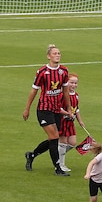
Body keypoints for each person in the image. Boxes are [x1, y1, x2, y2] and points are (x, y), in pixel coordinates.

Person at [23, 44, 72, 176]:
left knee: (53, 139)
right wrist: (27, 109)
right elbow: (34, 91)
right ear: (48, 56)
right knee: (55, 137)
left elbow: (65, 91)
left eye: (59, 53)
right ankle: (57, 168)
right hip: (44, 109)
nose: (57, 55)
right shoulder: (42, 72)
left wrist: (69, 108)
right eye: (55, 53)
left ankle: (32, 155)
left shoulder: (64, 71)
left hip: (57, 110)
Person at [57, 72, 86, 172]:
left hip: (70, 122)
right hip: (62, 121)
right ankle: (61, 164)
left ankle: (57, 154)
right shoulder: (62, 94)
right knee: (63, 142)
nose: (74, 85)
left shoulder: (76, 96)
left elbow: (76, 109)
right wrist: (67, 113)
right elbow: (57, 108)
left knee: (72, 143)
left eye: (75, 83)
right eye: (71, 83)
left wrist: (80, 121)